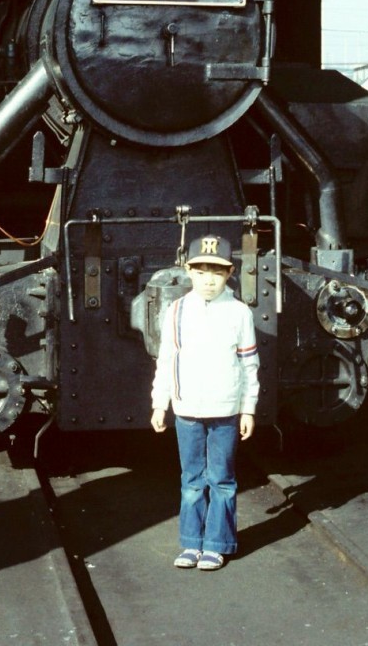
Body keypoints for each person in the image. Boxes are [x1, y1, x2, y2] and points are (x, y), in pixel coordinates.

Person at [150, 234, 259, 571]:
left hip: (225, 410)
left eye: (216, 272)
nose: (208, 279)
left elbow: (249, 364)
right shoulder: (176, 310)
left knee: (222, 479)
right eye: (201, 271)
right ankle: (191, 543)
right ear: (188, 271)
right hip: (187, 411)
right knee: (192, 479)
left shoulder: (240, 313)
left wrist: (248, 408)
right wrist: (160, 403)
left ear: (229, 274)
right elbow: (167, 359)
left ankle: (217, 543)